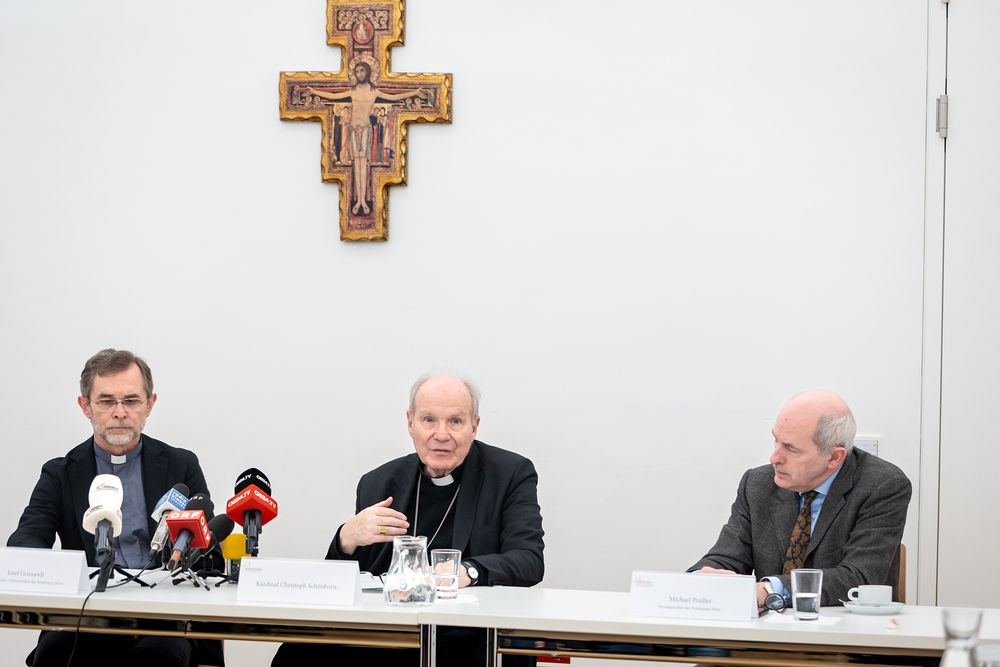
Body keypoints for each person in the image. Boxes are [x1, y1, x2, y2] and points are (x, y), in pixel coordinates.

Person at [272, 374, 544, 667]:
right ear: (411, 424)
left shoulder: (509, 474)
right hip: (389, 627)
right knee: (297, 652)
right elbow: (343, 582)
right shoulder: (377, 482)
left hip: (469, 628)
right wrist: (346, 538)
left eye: (455, 421)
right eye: (429, 420)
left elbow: (529, 559)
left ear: (474, 427)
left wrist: (469, 571)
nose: (441, 435)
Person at [7, 349, 222, 667]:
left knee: (158, 657)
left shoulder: (180, 465)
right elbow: (27, 539)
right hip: (86, 616)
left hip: (162, 618)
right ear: (85, 406)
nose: (120, 413)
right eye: (107, 401)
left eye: (131, 400)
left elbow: (205, 551)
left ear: (150, 404)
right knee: (56, 653)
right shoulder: (61, 473)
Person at [689, 389, 911, 609]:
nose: (774, 457)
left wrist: (770, 589)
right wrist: (701, 578)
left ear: (834, 457)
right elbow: (727, 558)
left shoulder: (882, 485)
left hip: (847, 626)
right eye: (776, 440)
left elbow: (860, 577)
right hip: (770, 627)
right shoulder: (758, 483)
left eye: (791, 449)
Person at [307, 61, 425, 216]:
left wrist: (414, 93)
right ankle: (358, 201)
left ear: (368, 72)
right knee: (357, 166)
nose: (360, 74)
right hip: (353, 130)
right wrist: (314, 91)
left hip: (366, 131)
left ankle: (363, 201)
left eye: (362, 71)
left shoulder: (373, 91)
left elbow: (394, 97)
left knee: (364, 166)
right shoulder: (353, 91)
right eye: (357, 71)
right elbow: (334, 96)